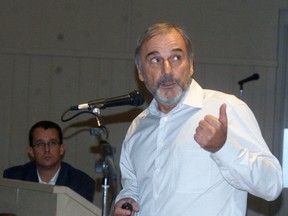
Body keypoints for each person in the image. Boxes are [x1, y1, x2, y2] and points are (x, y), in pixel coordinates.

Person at [113, 23, 283, 216]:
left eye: (176, 58)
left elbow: (272, 185)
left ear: (191, 65)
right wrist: (127, 199)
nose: (167, 69)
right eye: (155, 60)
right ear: (141, 72)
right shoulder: (138, 127)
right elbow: (133, 186)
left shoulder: (226, 109)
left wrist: (223, 147)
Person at [3, 120, 95, 202]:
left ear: (62, 149)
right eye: (40, 144)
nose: (47, 149)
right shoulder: (13, 178)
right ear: (31, 151)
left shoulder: (81, 183)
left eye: (52, 143)